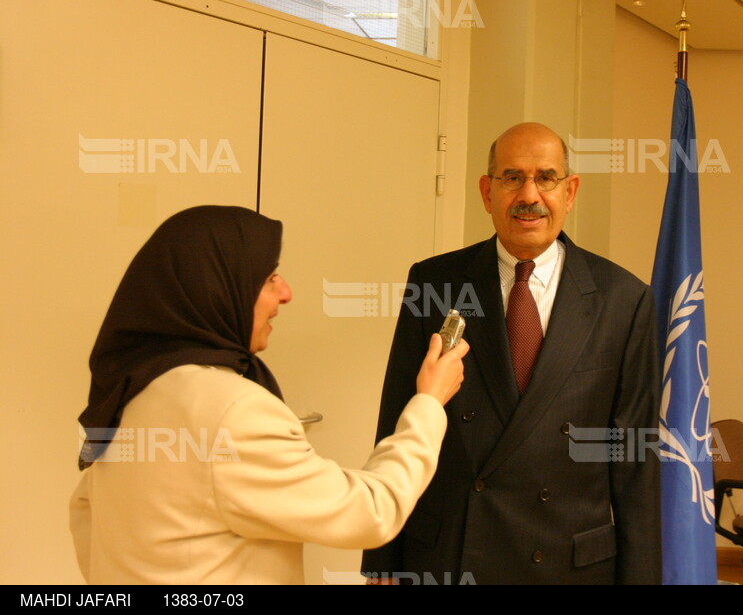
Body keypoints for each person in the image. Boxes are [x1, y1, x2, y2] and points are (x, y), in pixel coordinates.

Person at [69, 205, 468, 585]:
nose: (286, 293)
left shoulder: (130, 394)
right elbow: (371, 511)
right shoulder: (232, 411)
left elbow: (85, 517)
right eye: (268, 278)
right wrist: (428, 404)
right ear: (216, 288)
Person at [361, 123, 662, 585]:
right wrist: (381, 558)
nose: (529, 194)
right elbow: (397, 416)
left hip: (569, 561)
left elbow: (635, 461)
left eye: (546, 177)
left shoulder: (623, 298)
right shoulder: (434, 282)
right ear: (487, 191)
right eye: (511, 177)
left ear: (570, 191)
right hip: (452, 553)